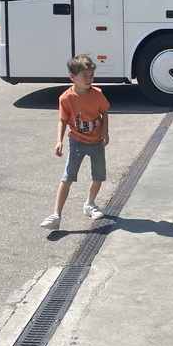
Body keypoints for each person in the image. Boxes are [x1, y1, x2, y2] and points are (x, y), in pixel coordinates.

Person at [39, 55, 111, 230]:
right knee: (67, 177)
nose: (89, 79)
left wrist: (105, 132)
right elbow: (62, 120)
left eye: (91, 75)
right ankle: (56, 215)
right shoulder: (66, 98)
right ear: (72, 77)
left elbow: (104, 113)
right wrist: (59, 141)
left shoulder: (98, 94)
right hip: (77, 142)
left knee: (98, 175)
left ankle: (90, 204)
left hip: (96, 142)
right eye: (84, 76)